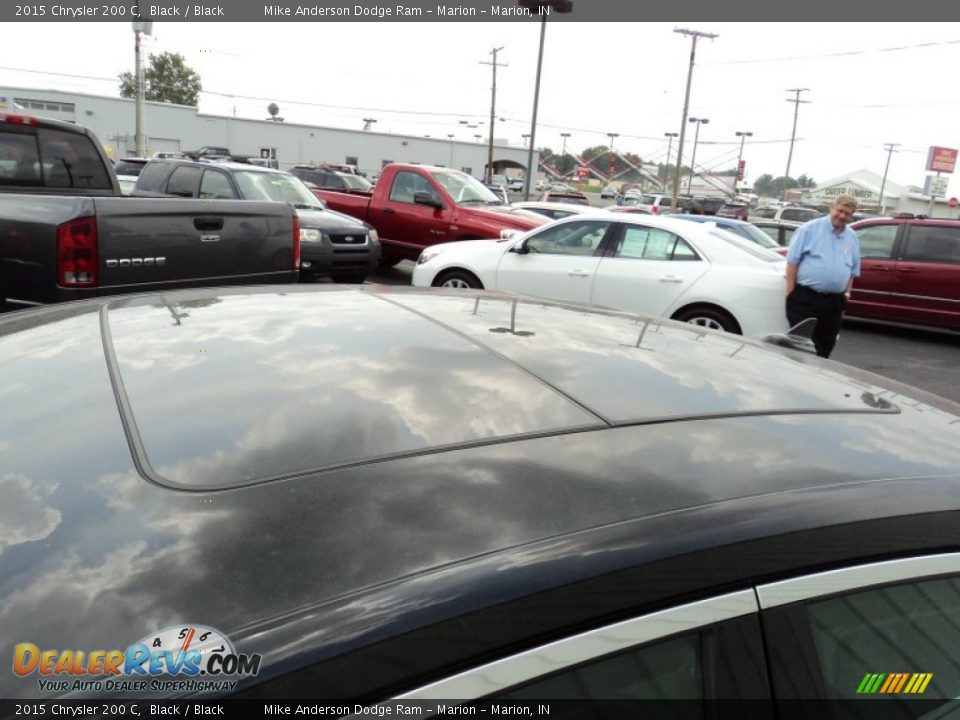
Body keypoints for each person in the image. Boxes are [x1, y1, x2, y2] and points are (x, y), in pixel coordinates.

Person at [784, 195, 861, 358]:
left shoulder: (852, 236)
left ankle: (817, 378)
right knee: (801, 345)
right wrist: (791, 290)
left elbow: (852, 269)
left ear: (851, 215)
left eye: (847, 213)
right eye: (839, 211)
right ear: (831, 208)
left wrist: (847, 293)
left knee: (826, 344)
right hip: (805, 298)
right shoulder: (809, 229)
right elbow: (792, 261)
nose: (842, 216)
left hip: (834, 303)